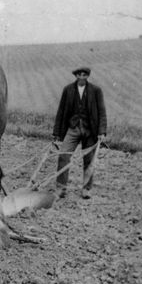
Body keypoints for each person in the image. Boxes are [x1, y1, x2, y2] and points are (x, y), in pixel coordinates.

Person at [52, 66, 107, 199]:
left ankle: (86, 189)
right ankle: (61, 188)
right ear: (75, 76)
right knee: (64, 155)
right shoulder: (68, 90)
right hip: (73, 128)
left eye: (84, 74)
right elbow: (61, 111)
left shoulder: (96, 90)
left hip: (90, 130)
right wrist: (57, 133)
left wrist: (101, 131)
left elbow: (102, 112)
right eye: (79, 74)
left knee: (89, 159)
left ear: (87, 76)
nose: (81, 77)